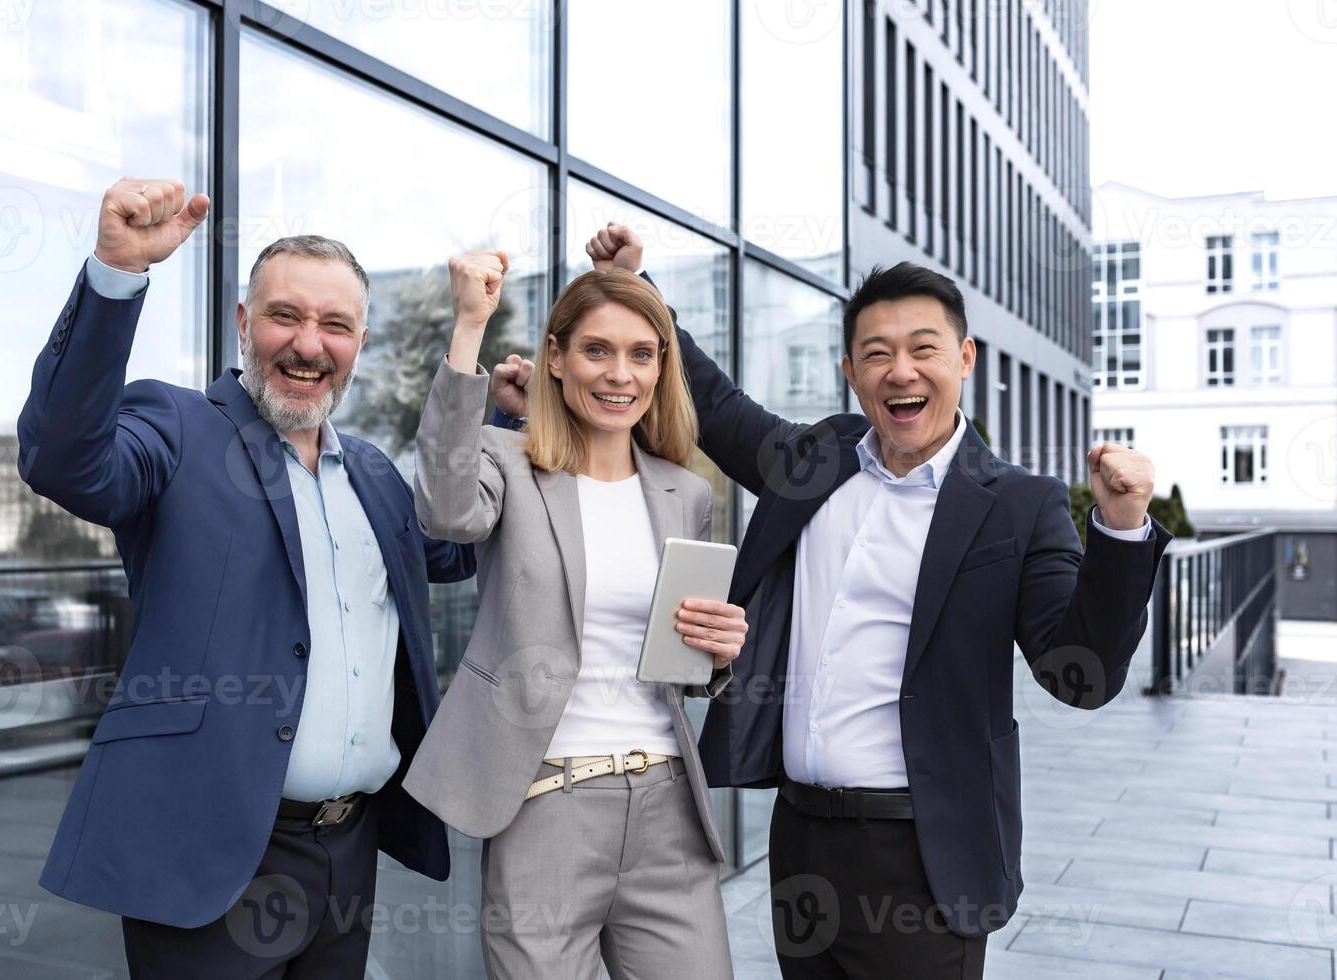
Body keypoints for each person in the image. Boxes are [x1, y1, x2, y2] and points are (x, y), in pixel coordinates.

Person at [494, 224, 1173, 979]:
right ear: (852, 370)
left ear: (965, 359)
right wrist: (639, 291)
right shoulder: (814, 463)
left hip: (925, 857)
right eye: (876, 353)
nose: (900, 371)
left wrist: (1119, 530)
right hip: (803, 844)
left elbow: (1079, 675)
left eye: (923, 348)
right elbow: (714, 406)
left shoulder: (1018, 505)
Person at [19, 178, 475, 978]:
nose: (309, 344)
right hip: (207, 855)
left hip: (348, 852)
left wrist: (497, 419)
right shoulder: (177, 427)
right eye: (285, 316)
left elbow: (458, 546)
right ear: (242, 324)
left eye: (336, 325)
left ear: (359, 343)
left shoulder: (374, 475)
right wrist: (116, 274)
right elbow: (65, 459)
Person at [402, 242, 747, 979]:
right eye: (596, 350)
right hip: (545, 804)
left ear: (661, 368)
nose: (621, 375)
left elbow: (677, 666)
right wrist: (469, 328)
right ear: (554, 357)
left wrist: (716, 652)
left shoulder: (683, 492)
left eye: (641, 355)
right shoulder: (507, 461)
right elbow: (443, 509)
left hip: (668, 808)